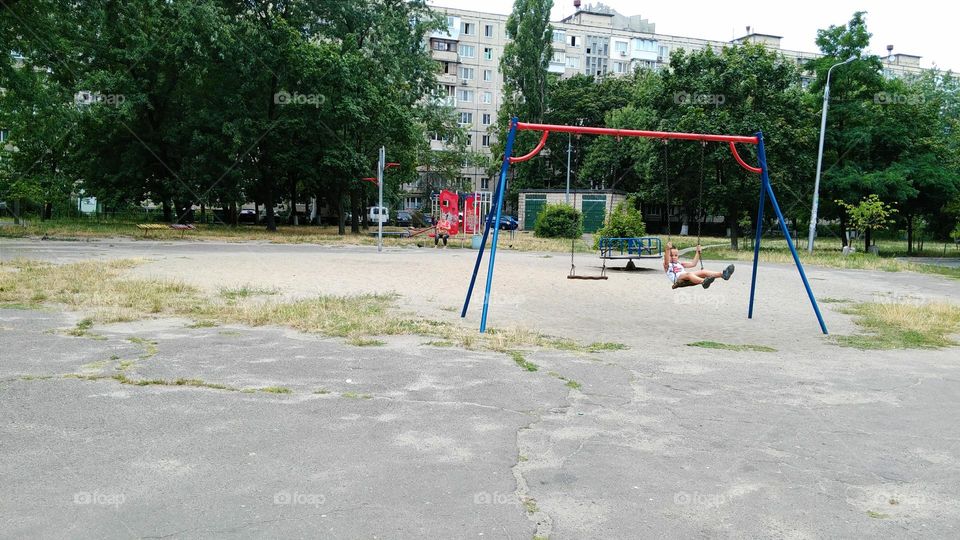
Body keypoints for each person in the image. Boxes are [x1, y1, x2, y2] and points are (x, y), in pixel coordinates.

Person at [663, 242, 734, 289]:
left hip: (686, 276)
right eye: (671, 255)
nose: (674, 257)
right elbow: (666, 260)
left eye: (676, 255)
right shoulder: (667, 265)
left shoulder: (679, 263)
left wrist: (697, 252)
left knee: (703, 272)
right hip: (677, 279)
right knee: (689, 274)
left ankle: (723, 274)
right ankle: (703, 281)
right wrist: (667, 250)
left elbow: (693, 264)